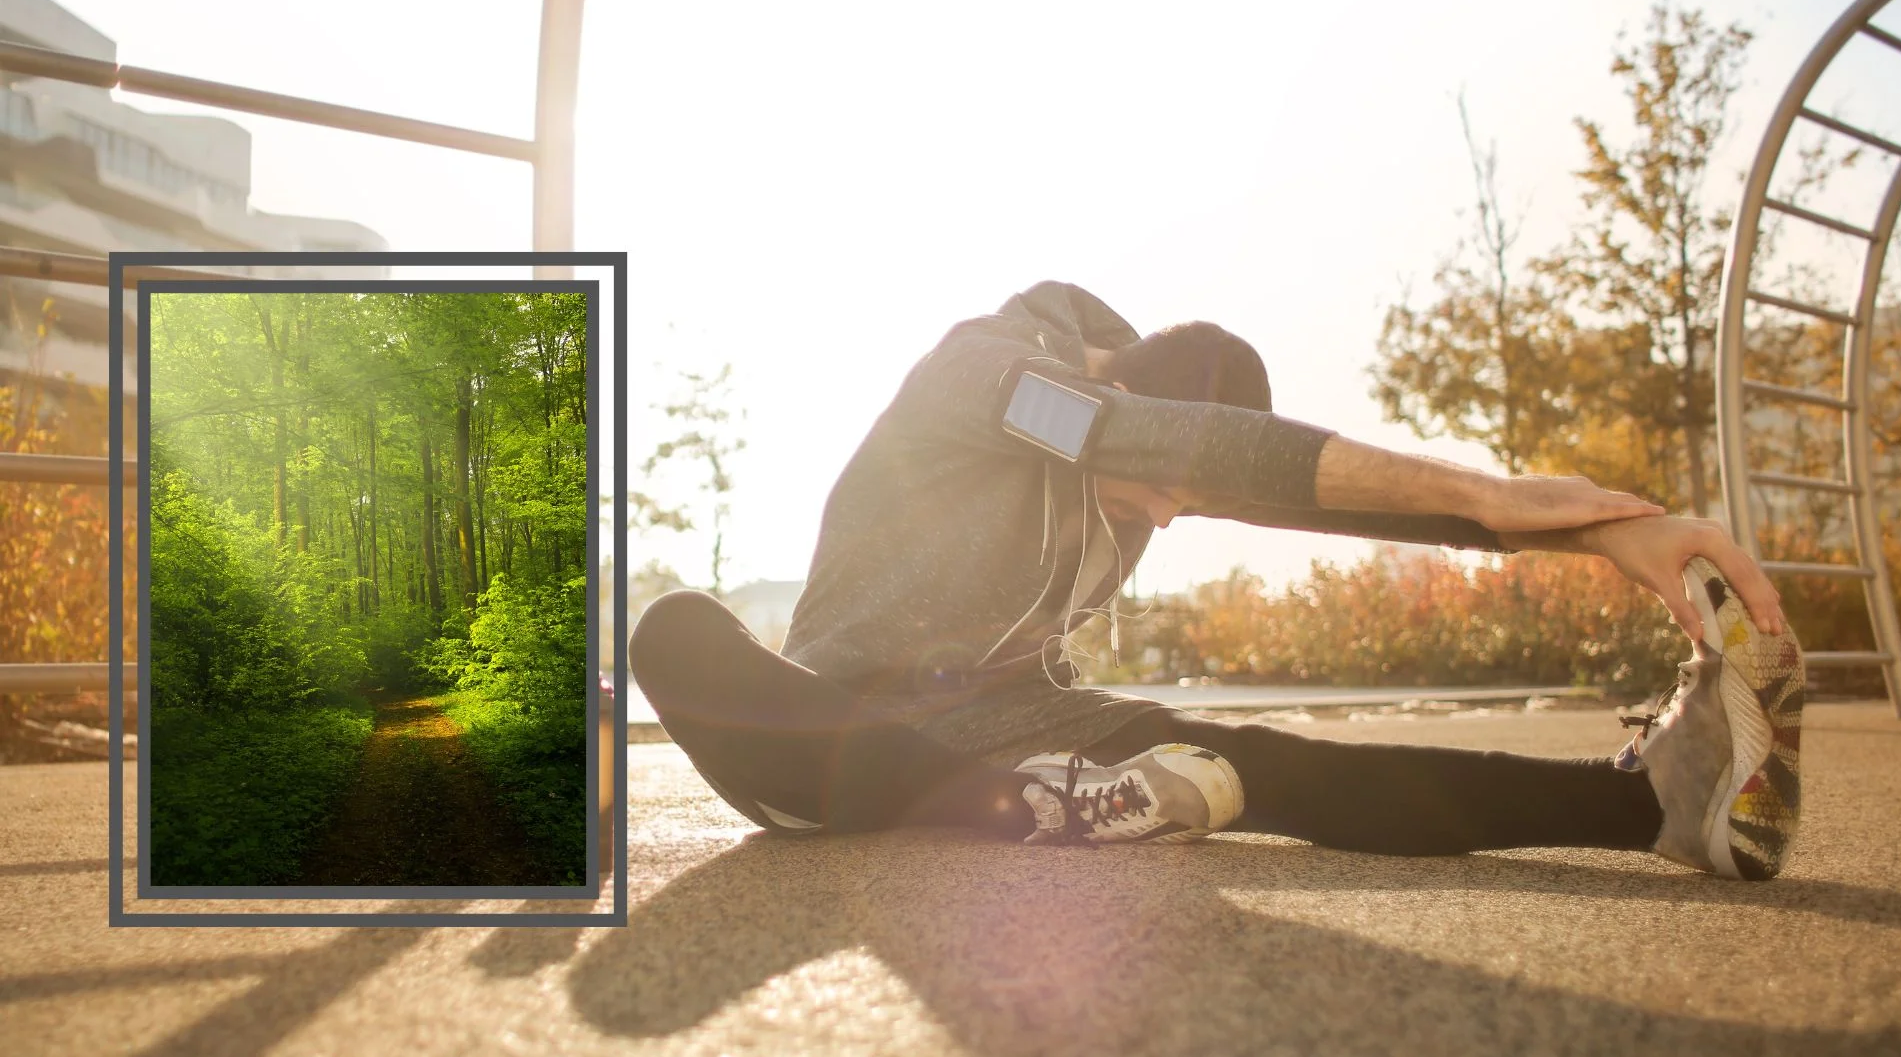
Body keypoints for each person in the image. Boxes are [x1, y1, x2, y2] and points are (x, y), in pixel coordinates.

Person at [630, 282, 1805, 880]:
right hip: (825, 739)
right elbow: (1156, 447)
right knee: (674, 630)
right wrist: (1496, 495)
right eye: (1167, 487)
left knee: (1267, 760)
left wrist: (1595, 533)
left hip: (1021, 725)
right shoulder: (989, 374)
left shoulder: (1148, 444)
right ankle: (1024, 805)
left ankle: (1649, 806)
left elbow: (1292, 487)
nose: (1168, 516)